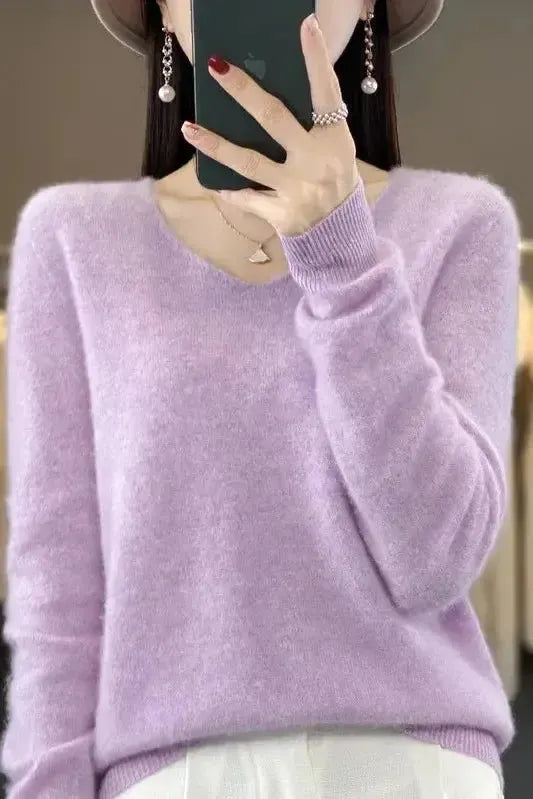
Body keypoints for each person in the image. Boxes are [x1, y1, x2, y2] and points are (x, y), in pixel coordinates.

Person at [0, 0, 521, 796]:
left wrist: (341, 255)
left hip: (407, 764)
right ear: (162, 11)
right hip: (170, 775)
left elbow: (435, 560)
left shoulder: (461, 225)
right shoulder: (72, 240)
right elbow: (56, 590)